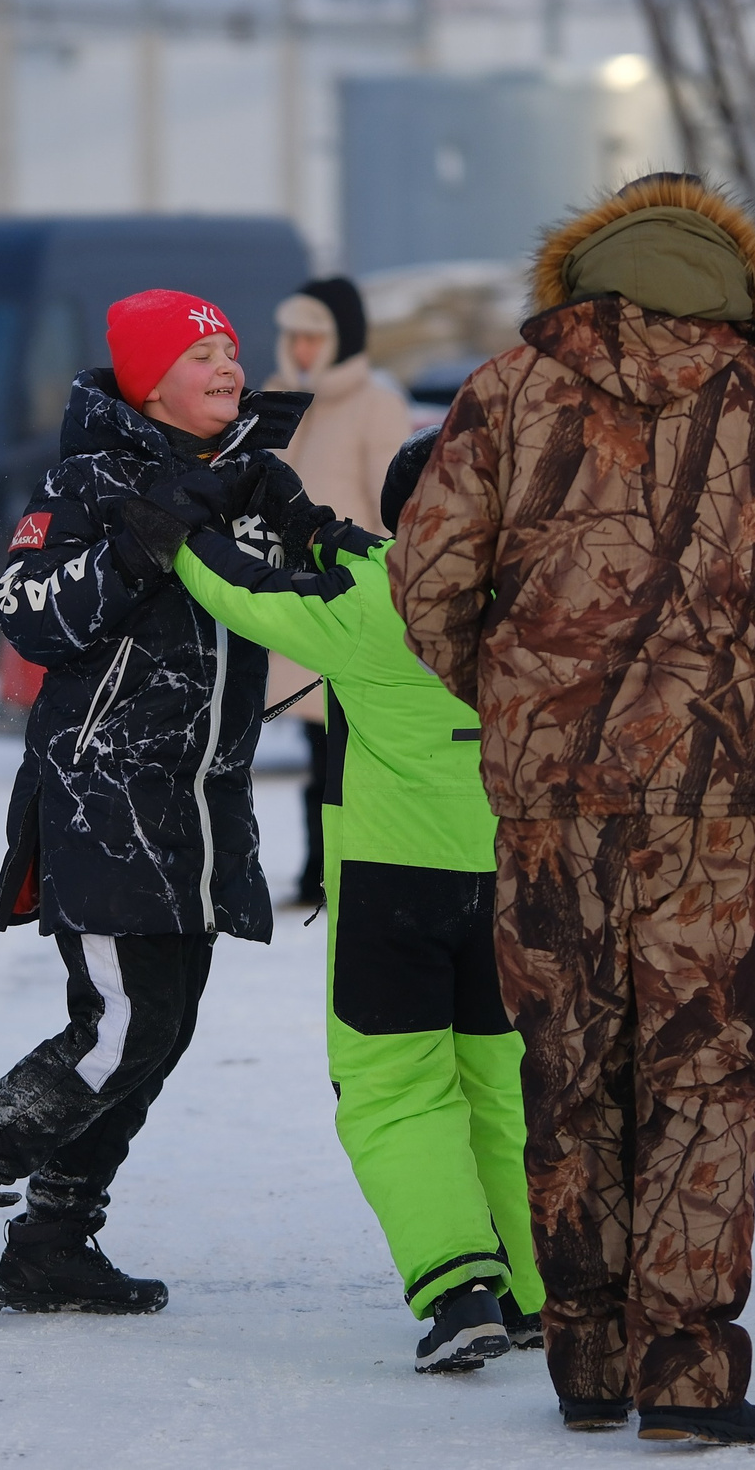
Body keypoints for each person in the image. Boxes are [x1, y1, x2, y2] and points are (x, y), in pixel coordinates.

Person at [387, 173, 755, 1445]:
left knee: (567, 1073)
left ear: (583, 274)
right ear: (734, 284)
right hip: (715, 806)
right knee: (702, 1076)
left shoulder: (504, 391)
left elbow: (427, 576)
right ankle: (686, 1379)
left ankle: (587, 1366)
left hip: (549, 807)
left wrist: (518, 703)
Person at [0, 289, 325, 1316]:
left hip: (202, 798)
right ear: (148, 383)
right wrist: (137, 543)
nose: (227, 365)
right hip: (105, 792)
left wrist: (334, 543)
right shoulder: (89, 481)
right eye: (200, 354)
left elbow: (309, 584)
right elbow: (27, 614)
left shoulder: (253, 477)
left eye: (229, 349)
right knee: (121, 1024)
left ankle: (55, 1237)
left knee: (163, 1028)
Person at [172, 428, 543, 1374]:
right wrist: (322, 529)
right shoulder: (533, 599)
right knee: (503, 1088)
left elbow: (242, 592)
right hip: (513, 882)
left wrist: (174, 529)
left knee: (394, 1086)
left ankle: (458, 1290)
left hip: (392, 886)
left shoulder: (373, 604)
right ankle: (539, 1291)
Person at [262, 277, 413, 905]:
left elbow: (398, 507)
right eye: (294, 335)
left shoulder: (375, 405)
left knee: (346, 750)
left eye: (315, 336)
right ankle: (324, 867)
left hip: (349, 600)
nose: (302, 348)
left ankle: (345, 868)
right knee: (319, 748)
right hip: (288, 600)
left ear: (341, 337)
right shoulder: (276, 399)